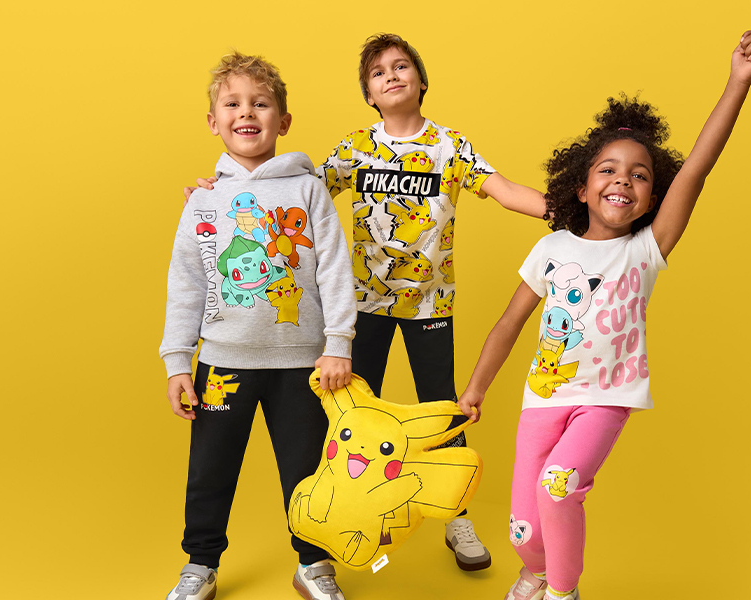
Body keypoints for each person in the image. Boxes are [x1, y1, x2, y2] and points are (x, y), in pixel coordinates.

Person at [185, 33, 549, 572]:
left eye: (402, 67)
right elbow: (288, 191)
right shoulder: (357, 147)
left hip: (430, 305)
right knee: (352, 416)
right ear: (369, 94)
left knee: (442, 410)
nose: (392, 76)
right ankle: (354, 513)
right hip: (363, 307)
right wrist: (218, 193)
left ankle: (457, 517)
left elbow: (506, 191)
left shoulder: (450, 146)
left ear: (421, 80)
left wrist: (571, 211)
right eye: (379, 73)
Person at [456, 31, 751, 600]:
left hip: (606, 396)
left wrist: (737, 84)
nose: (623, 179)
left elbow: (697, 169)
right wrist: (476, 388)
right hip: (543, 398)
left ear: (652, 197)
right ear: (580, 187)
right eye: (608, 170)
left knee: (559, 488)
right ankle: (536, 572)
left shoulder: (645, 249)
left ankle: (563, 591)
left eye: (640, 174)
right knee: (524, 527)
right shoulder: (551, 248)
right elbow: (509, 323)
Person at [161, 51, 355, 600]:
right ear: (214, 121)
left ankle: (314, 564)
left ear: (283, 121)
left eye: (260, 104)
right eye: (233, 104)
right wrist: (177, 360)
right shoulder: (203, 200)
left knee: (308, 473)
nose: (246, 113)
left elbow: (334, 267)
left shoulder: (309, 189)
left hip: (303, 364)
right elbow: (186, 281)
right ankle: (200, 565)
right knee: (210, 470)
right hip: (223, 364)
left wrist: (338, 343)